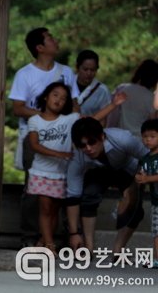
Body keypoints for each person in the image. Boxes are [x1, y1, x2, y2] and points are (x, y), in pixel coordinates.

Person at [27, 82, 125, 254]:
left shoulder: (70, 119)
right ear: (46, 96)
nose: (59, 100)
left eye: (64, 98)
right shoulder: (34, 120)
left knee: (55, 210)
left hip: (61, 173)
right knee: (45, 208)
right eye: (55, 95)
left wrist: (113, 105)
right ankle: (49, 247)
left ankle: (43, 241)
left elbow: (92, 120)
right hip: (41, 172)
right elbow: (34, 144)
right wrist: (59, 154)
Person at [8, 27, 79, 246]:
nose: (55, 40)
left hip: (64, 136)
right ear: (39, 48)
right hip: (35, 134)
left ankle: (48, 237)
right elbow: (18, 108)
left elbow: (75, 104)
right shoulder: (25, 74)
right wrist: (46, 116)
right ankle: (29, 237)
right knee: (33, 188)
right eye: (50, 38)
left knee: (61, 187)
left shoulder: (66, 72)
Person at [66, 117, 148, 254]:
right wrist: (74, 233)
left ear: (102, 137)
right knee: (88, 195)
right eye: (83, 145)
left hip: (129, 169)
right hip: (99, 172)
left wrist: (133, 187)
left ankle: (118, 248)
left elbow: (148, 158)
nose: (88, 148)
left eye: (92, 142)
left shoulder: (123, 139)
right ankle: (89, 247)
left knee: (135, 207)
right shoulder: (77, 157)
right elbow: (72, 196)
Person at [107, 59, 158, 139]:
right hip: (140, 140)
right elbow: (153, 122)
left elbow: (112, 115)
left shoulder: (122, 88)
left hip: (120, 137)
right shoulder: (151, 98)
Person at [134, 119, 158, 269]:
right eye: (145, 136)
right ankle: (156, 258)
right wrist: (140, 178)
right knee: (156, 231)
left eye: (152, 136)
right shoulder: (145, 159)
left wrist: (148, 178)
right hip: (156, 202)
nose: (148, 140)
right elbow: (141, 175)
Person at [74, 50, 112, 118]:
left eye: (92, 70)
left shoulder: (103, 91)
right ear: (77, 67)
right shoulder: (66, 84)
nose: (89, 73)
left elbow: (106, 118)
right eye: (85, 69)